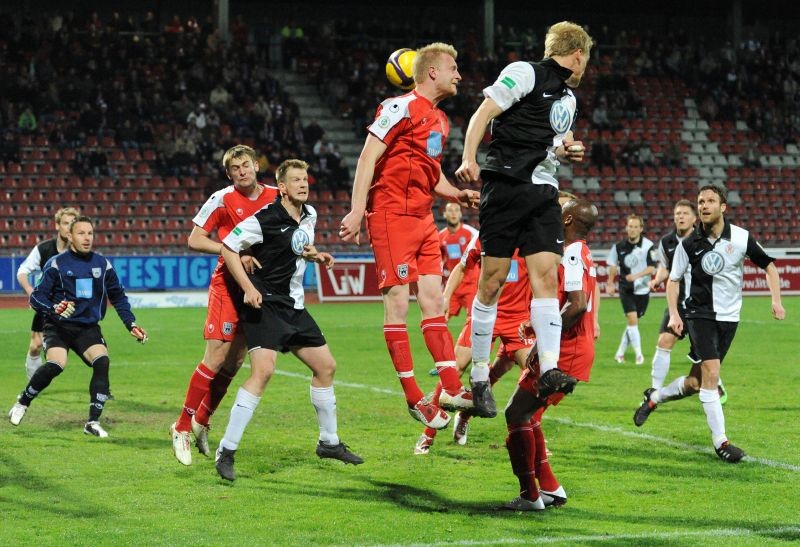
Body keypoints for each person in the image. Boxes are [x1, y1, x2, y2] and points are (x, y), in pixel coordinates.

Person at [455, 21, 594, 417]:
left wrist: (569, 152)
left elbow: (556, 144)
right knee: (492, 281)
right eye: (586, 59)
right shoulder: (525, 72)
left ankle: (548, 368)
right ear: (578, 54)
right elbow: (484, 112)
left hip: (544, 191)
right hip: (507, 185)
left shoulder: (568, 98)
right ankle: (480, 376)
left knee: (546, 278)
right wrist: (469, 158)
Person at [338, 43, 480, 429]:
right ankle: (414, 397)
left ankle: (451, 387)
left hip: (423, 219)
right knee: (398, 304)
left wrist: (457, 194)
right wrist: (355, 210)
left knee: (434, 300)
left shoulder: (440, 121)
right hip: (390, 216)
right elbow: (368, 157)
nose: (459, 75)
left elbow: (433, 173)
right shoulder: (397, 107)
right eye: (453, 67)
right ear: (432, 72)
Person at [215, 159, 363, 481]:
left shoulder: (309, 215)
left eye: (305, 179)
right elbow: (228, 248)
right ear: (282, 187)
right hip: (265, 304)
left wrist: (316, 255)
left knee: (326, 367)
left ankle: (329, 442)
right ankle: (226, 450)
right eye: (296, 180)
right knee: (264, 372)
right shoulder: (265, 218)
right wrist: (248, 287)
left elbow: (297, 247)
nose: (303, 184)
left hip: (294, 306)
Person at [633, 185, 786, 463]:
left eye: (710, 201)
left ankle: (655, 397)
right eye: (701, 202)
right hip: (699, 315)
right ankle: (721, 442)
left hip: (730, 318)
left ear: (723, 207)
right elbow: (674, 279)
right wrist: (675, 315)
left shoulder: (740, 237)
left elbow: (769, 266)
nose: (704, 206)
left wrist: (776, 300)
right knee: (712, 375)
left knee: (695, 382)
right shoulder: (688, 244)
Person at [170, 145, 278, 466]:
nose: (242, 171)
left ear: (256, 166)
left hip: (260, 287)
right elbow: (194, 239)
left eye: (246, 165)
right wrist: (229, 250)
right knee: (216, 357)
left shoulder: (276, 196)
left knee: (234, 362)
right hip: (227, 286)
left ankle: (203, 420)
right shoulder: (222, 199)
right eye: (235, 168)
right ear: (229, 174)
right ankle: (181, 427)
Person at [8, 216, 148, 437]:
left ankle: (92, 422)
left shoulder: (102, 264)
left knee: (102, 361)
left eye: (90, 233)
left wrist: (131, 323)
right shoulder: (56, 264)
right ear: (70, 237)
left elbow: (118, 297)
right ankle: (23, 402)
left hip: (87, 327)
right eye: (81, 233)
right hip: (58, 327)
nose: (87, 238)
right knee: (56, 364)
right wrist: (55, 308)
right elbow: (36, 298)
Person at [502, 198, 597, 511]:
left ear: (567, 219)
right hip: (572, 347)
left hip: (567, 350)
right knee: (528, 416)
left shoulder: (570, 252)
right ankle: (551, 490)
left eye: (559, 207)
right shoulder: (579, 251)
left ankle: (530, 495)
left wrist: (547, 343)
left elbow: (578, 304)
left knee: (516, 414)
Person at [415, 237, 534, 455]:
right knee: (456, 367)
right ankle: (428, 433)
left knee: (535, 374)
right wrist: (446, 296)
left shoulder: (532, 236)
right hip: (484, 314)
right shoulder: (487, 234)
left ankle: (468, 416)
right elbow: (461, 268)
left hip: (518, 318)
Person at [16, 206, 80, 379]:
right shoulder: (44, 249)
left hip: (73, 309)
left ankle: (103, 388)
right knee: (35, 346)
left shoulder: (81, 253)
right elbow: (22, 271)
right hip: (48, 307)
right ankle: (33, 386)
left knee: (91, 346)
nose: (69, 227)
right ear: (57, 226)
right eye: (66, 223)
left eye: (73, 223)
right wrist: (30, 292)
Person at [606, 214, 656, 365]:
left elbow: (651, 268)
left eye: (636, 227)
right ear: (626, 228)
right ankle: (639, 355)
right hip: (626, 289)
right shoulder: (618, 247)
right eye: (630, 226)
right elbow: (613, 266)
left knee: (632, 324)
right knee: (632, 320)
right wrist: (609, 283)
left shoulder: (648, 246)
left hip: (642, 290)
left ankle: (619, 353)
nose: (633, 229)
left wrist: (636, 276)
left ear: (641, 229)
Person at [439, 203, 479, 320]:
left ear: (461, 214)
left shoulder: (471, 233)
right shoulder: (440, 236)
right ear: (444, 214)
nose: (453, 213)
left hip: (471, 284)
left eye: (456, 210)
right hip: (453, 286)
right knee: (440, 318)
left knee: (473, 320)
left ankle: (465, 339)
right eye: (450, 210)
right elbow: (439, 261)